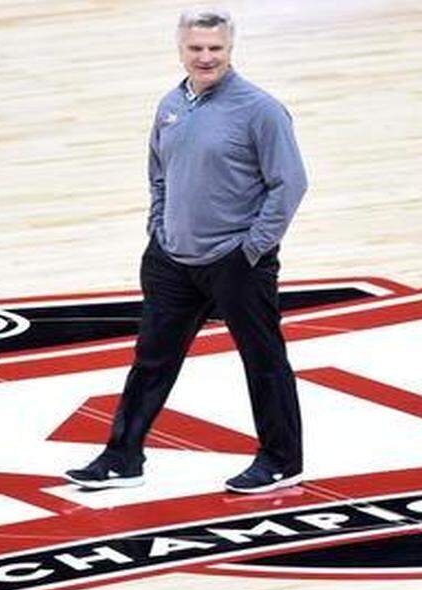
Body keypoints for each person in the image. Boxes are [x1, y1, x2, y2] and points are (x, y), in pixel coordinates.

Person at [65, 8, 308, 494]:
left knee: (263, 360)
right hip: (172, 260)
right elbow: (159, 171)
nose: (205, 57)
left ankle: (282, 460)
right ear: (181, 49)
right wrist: (158, 229)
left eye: (215, 48)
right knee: (151, 359)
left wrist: (252, 249)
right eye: (196, 48)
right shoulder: (170, 104)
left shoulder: (260, 109)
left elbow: (290, 185)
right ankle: (122, 457)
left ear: (230, 50)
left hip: (236, 261)